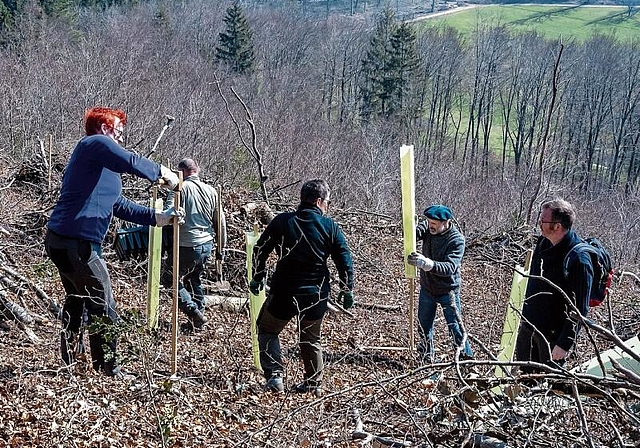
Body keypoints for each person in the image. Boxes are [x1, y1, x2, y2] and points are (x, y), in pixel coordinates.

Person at [45, 107, 181, 378]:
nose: (121, 134)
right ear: (105, 127)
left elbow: (118, 205)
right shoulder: (93, 143)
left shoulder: (102, 167)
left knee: (77, 299)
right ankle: (108, 369)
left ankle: (73, 362)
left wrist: (159, 218)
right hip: (76, 243)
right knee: (104, 306)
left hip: (66, 240)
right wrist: (162, 172)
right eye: (118, 128)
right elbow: (129, 161)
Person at [249, 179, 354, 396]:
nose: (327, 206)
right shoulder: (330, 227)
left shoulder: (283, 222)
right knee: (310, 337)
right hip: (315, 294)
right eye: (327, 202)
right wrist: (346, 288)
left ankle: (275, 377)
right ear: (318, 201)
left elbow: (260, 249)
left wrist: (259, 275)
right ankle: (314, 384)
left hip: (284, 292)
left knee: (268, 330)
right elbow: (344, 258)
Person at [515, 199, 593, 372]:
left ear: (557, 226)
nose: (539, 224)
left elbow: (580, 308)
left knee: (547, 387)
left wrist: (564, 344)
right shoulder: (543, 243)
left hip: (552, 337)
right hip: (529, 328)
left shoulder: (579, 260)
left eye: (543, 221)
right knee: (523, 380)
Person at [164, 158, 227, 329]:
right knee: (194, 278)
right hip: (206, 244)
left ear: (181, 172)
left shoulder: (179, 188)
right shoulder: (212, 191)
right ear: (196, 170)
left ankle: (193, 312)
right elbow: (220, 222)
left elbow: (168, 215)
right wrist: (221, 248)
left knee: (169, 279)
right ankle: (199, 321)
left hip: (187, 244)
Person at [407, 204, 473, 362]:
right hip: (427, 288)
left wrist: (427, 264)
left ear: (446, 222)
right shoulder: (427, 227)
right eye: (429, 222)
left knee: (455, 327)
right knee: (424, 326)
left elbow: (450, 267)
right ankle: (426, 358)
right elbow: (415, 233)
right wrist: (410, 228)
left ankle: (466, 360)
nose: (430, 226)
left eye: (434, 224)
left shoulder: (456, 240)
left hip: (447, 291)